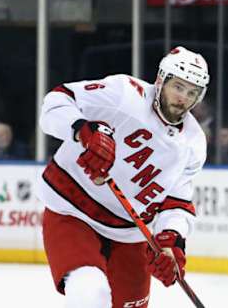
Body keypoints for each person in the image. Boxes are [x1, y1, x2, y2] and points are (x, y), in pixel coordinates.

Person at [37, 46, 209, 308]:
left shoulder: (193, 144)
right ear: (161, 79)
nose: (182, 98)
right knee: (90, 295)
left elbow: (177, 201)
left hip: (130, 234)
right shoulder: (124, 94)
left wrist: (171, 241)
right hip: (72, 213)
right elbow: (56, 101)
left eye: (191, 92)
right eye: (178, 87)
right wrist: (82, 130)